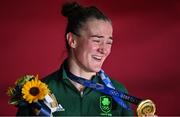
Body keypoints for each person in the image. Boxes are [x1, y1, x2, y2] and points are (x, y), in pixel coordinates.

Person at [16, 2, 133, 116]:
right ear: (72, 40)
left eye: (109, 42)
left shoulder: (118, 92)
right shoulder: (37, 93)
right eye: (97, 41)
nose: (104, 50)